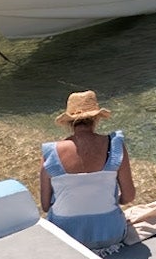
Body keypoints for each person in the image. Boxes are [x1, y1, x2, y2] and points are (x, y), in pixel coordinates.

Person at [40, 91, 137, 249]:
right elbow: (129, 196)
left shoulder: (51, 152)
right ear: (96, 118)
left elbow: (45, 206)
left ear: (69, 123)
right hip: (111, 235)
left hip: (65, 239)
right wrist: (111, 202)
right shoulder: (114, 145)